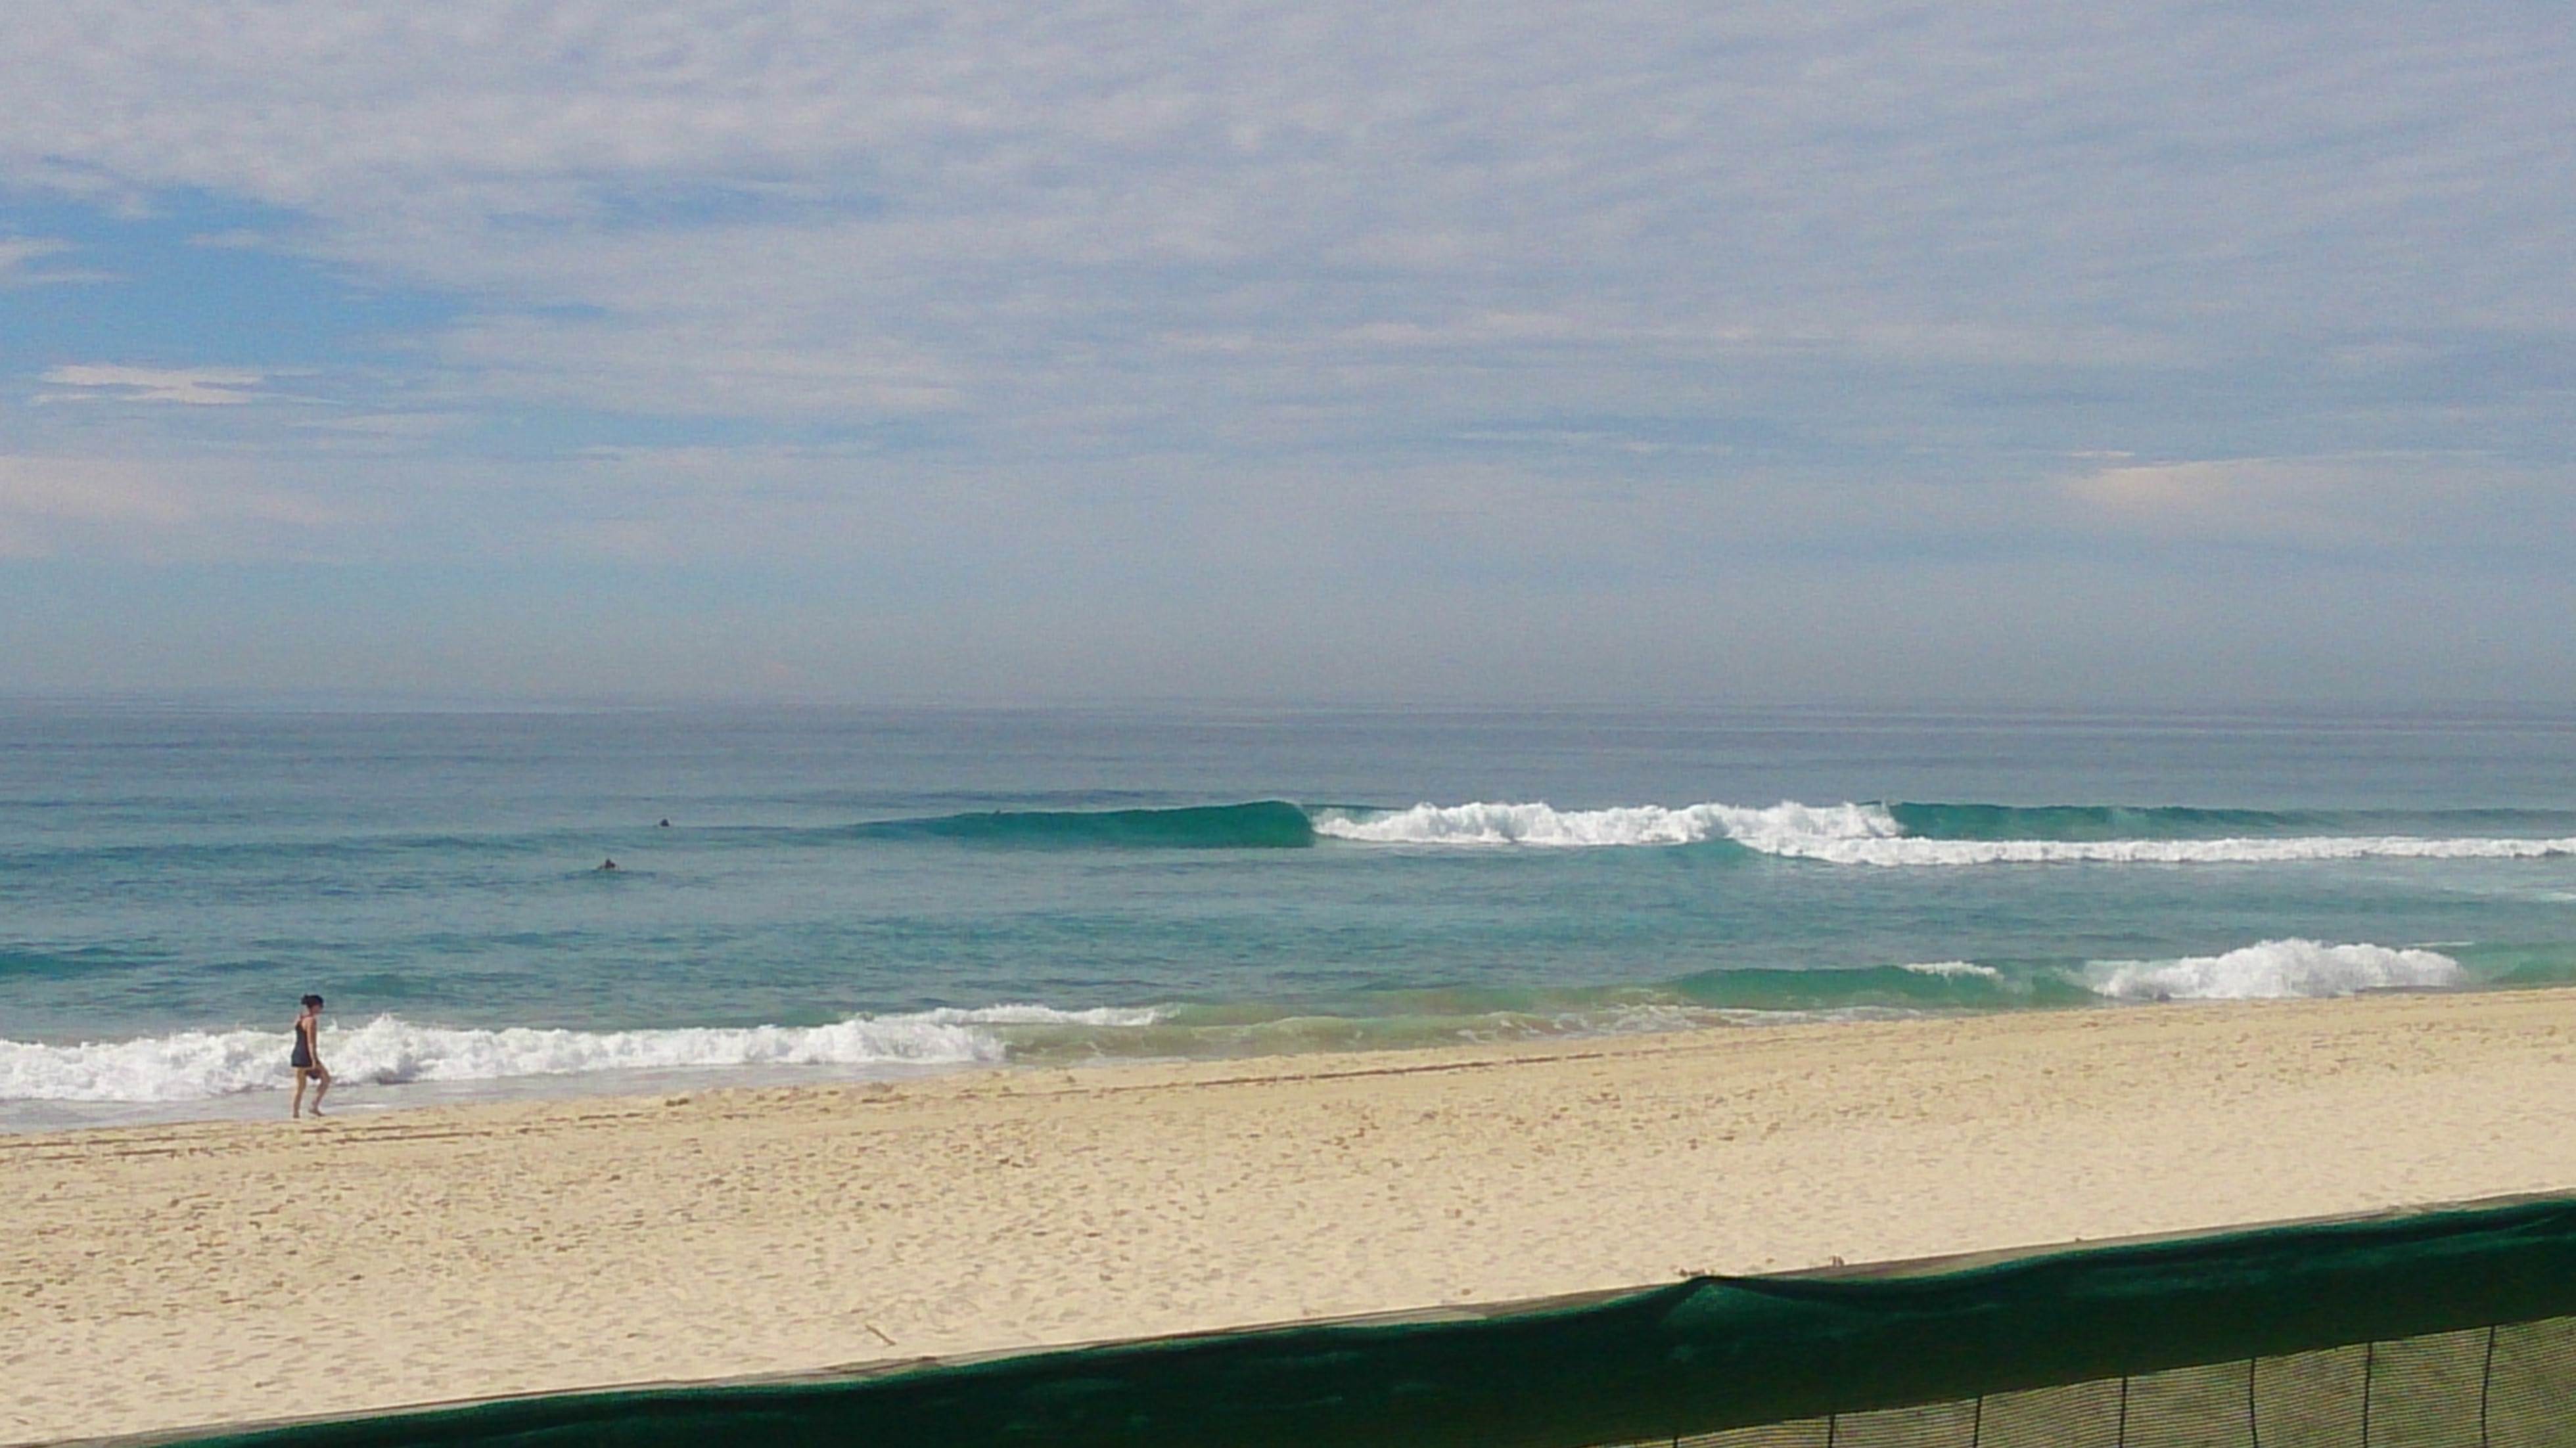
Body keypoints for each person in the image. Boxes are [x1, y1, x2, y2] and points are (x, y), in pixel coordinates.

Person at [290, 994, 331, 1119]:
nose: (322, 1009)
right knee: (326, 1079)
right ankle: (314, 1106)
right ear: (314, 1007)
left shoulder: (300, 1019)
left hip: (297, 1055)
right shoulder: (311, 1021)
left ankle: (295, 1113)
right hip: (307, 1056)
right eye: (320, 1006)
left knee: (300, 1087)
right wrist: (314, 1060)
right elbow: (311, 1042)